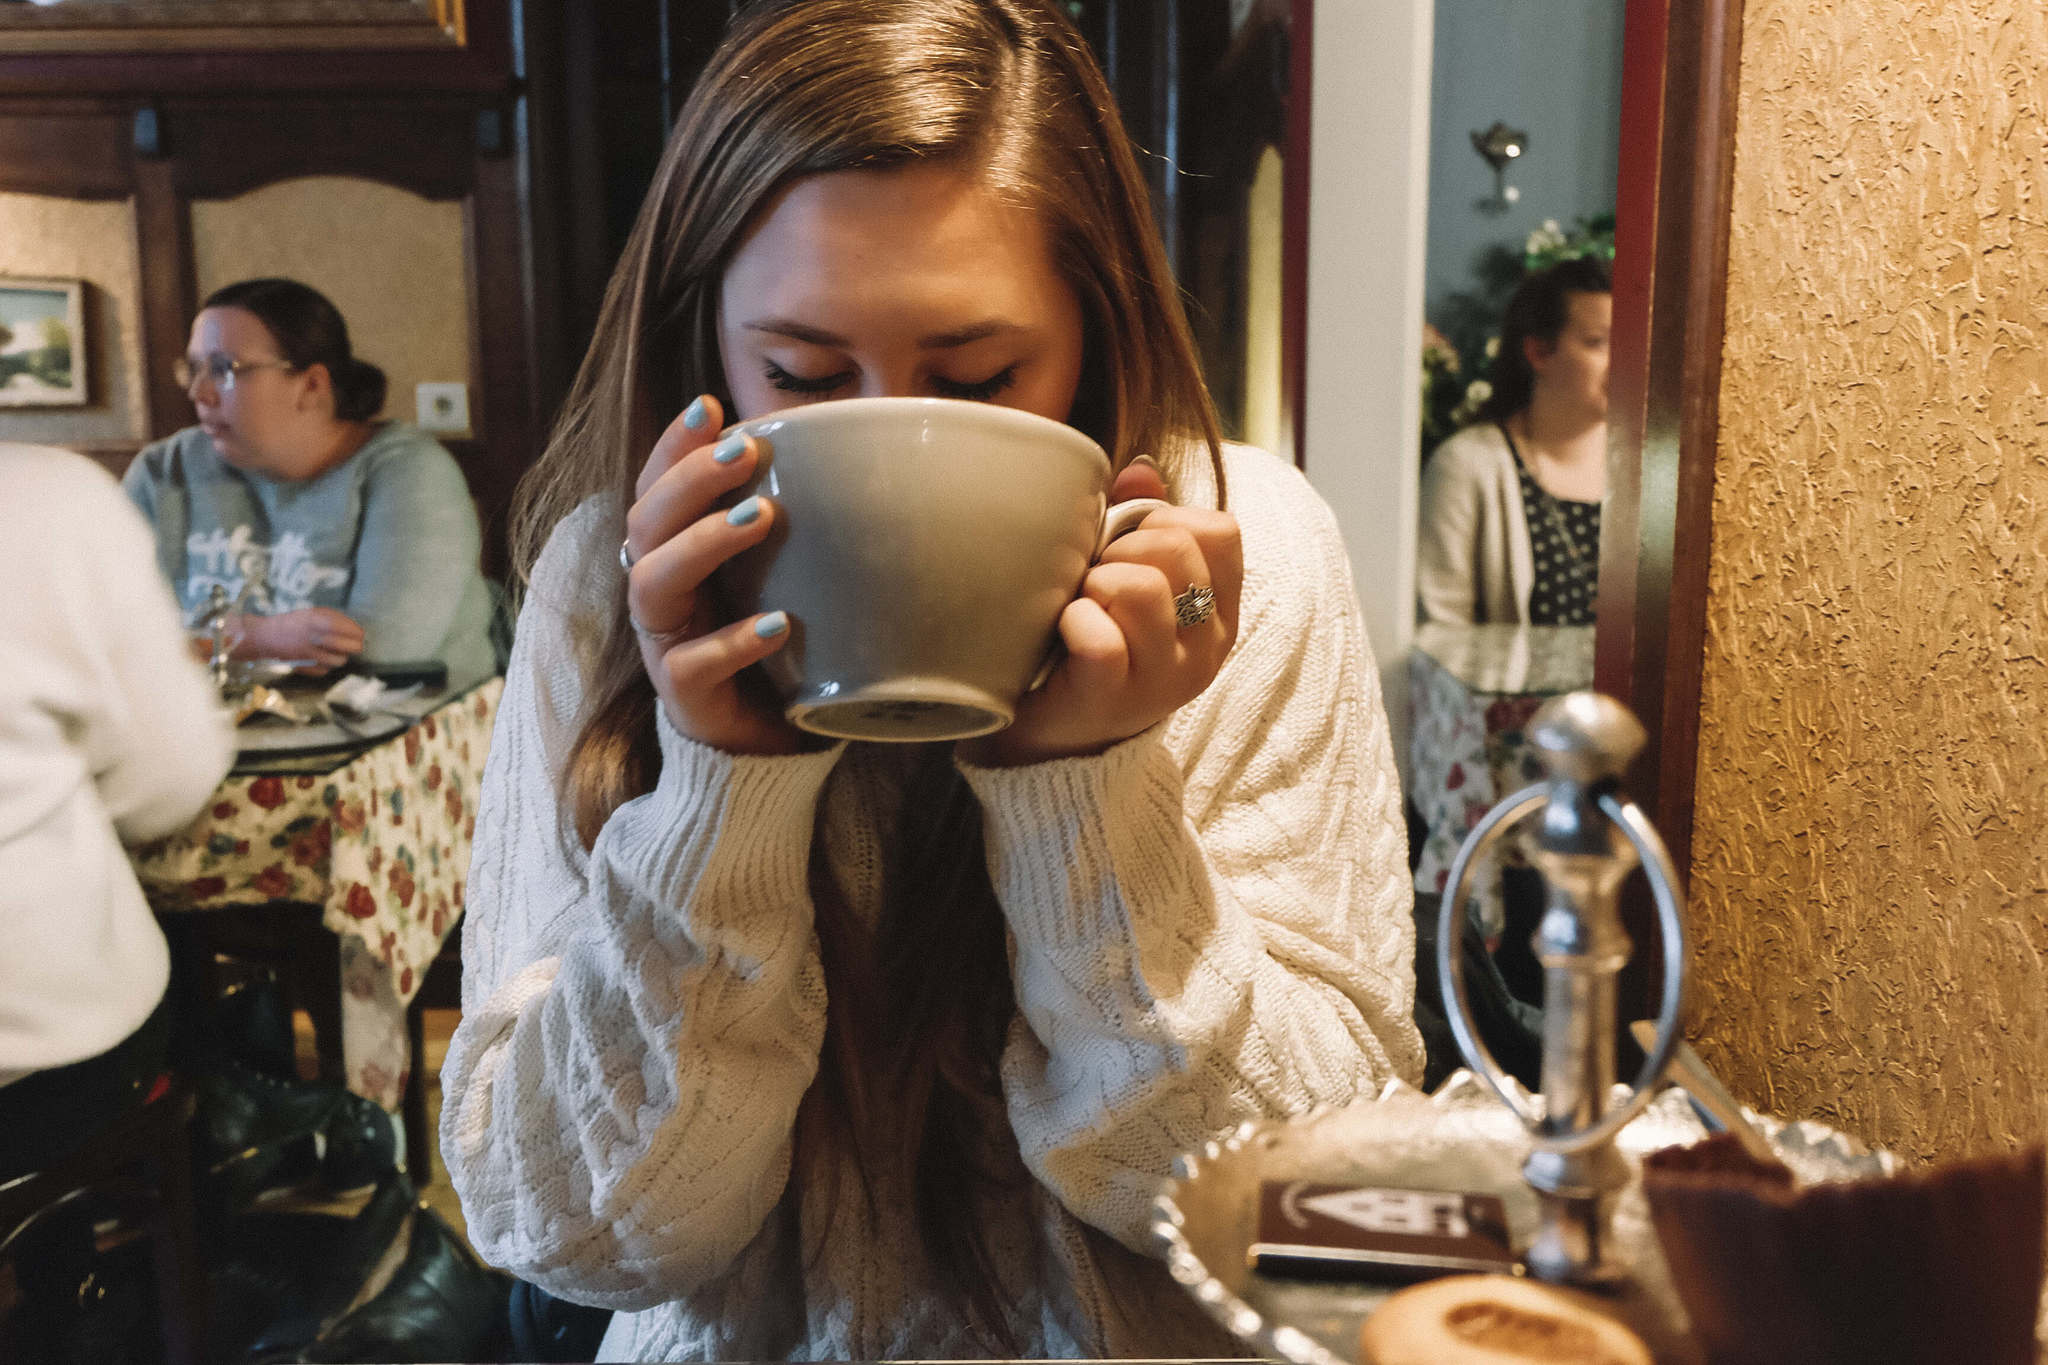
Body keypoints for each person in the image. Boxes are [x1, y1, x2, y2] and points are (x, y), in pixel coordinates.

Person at [439, 2, 1423, 1359]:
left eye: (974, 375)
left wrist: (1083, 788)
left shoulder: (1231, 560)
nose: (885, 440)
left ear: (1092, 329)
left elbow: (1313, 1212)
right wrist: (717, 797)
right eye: (799, 370)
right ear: (705, 338)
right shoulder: (605, 581)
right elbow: (574, 1233)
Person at [0, 441, 235, 1358]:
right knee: (162, 995)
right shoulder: (47, 496)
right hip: (42, 1067)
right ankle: (81, 1298)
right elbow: (168, 783)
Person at [123, 277, 497, 680]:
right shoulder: (163, 471)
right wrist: (261, 637)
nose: (199, 392)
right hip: (213, 730)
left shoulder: (408, 472)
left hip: (396, 733)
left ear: (312, 385)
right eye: (194, 369)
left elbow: (386, 649)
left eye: (224, 369)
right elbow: (106, 638)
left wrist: (199, 645)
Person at [1417, 255, 1613, 626]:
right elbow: (1440, 637)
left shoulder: (1650, 469)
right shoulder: (1467, 465)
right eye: (1599, 343)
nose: (1628, 361)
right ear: (1539, 352)